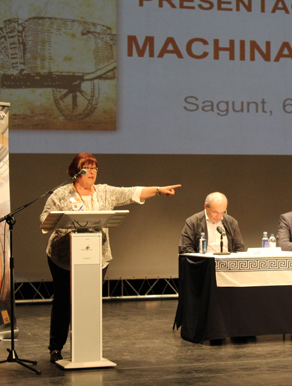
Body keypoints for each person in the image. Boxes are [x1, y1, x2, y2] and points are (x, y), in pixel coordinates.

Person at [39, 153, 181, 363]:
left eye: (95, 169)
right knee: (63, 302)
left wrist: (158, 190)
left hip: (96, 257)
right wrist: (65, 224)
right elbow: (45, 219)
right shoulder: (61, 194)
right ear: (76, 172)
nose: (92, 173)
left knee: (89, 303)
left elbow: (132, 192)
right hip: (63, 258)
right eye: (87, 168)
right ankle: (55, 348)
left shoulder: (104, 192)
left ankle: (87, 349)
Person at [178, 192, 245, 254]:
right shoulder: (193, 222)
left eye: (222, 212)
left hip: (227, 262)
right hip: (203, 262)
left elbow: (240, 248)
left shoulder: (231, 222)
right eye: (215, 212)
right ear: (206, 206)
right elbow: (185, 249)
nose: (219, 216)